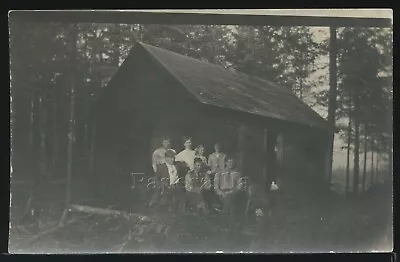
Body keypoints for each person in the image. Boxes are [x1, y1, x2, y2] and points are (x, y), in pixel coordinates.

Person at [214, 155, 246, 232]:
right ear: (225, 162)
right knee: (230, 204)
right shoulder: (219, 173)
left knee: (229, 200)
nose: (230, 164)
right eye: (229, 162)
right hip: (222, 194)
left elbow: (239, 186)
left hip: (233, 193)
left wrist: (231, 192)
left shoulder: (237, 174)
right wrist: (221, 193)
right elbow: (215, 186)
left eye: (232, 162)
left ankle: (225, 225)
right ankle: (231, 225)